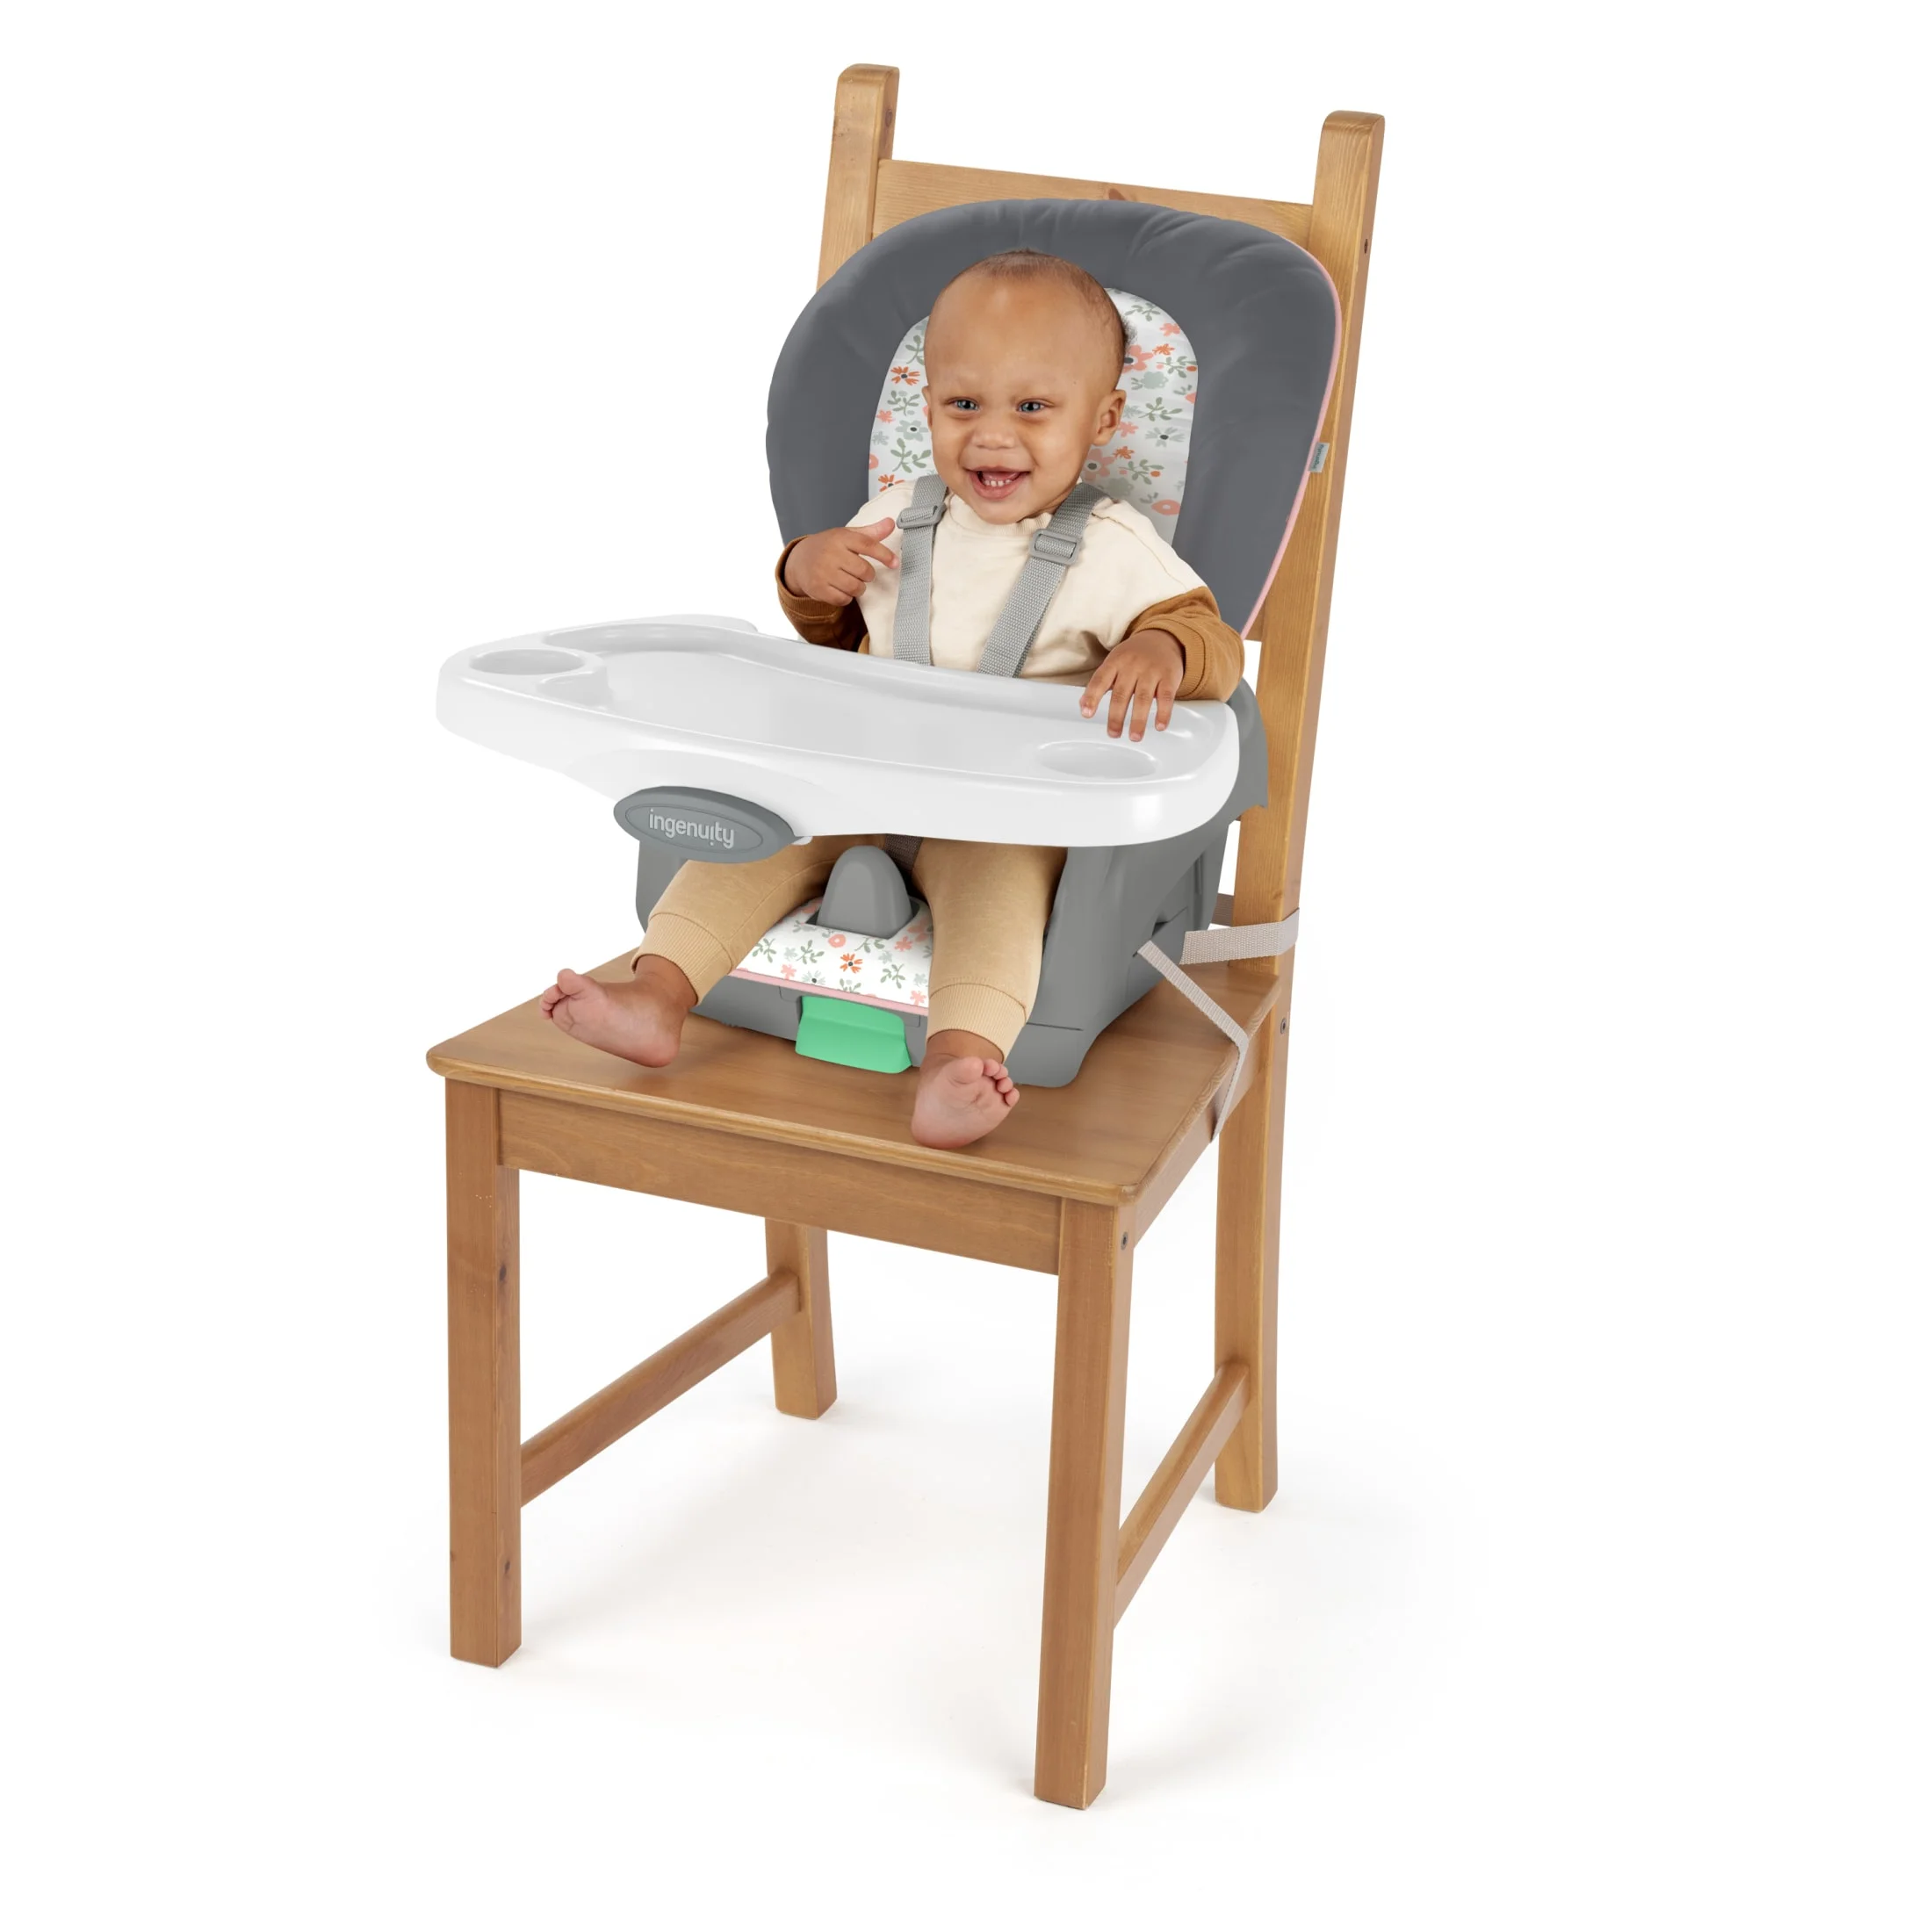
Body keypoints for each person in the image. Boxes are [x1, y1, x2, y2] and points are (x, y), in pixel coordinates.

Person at [542, 249, 1245, 1147]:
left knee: (998, 902)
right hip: (858, 787)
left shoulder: (1115, 545)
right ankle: (657, 995)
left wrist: (1163, 646)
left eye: (1033, 407)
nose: (993, 437)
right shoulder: (899, 513)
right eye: (964, 405)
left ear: (1103, 418)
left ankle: (956, 1061)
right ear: (927, 404)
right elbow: (838, 646)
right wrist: (807, 575)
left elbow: (1212, 643)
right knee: (754, 841)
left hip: (1002, 816)